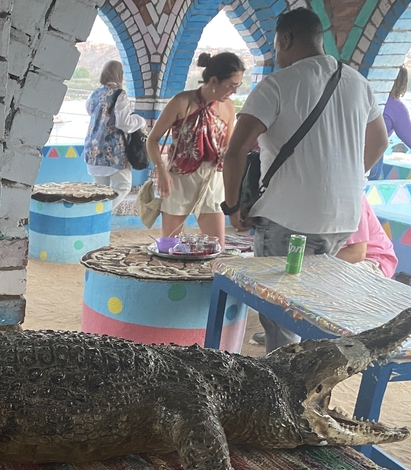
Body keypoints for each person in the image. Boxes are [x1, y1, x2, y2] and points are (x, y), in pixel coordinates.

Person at [221, 8, 388, 353]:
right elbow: (379, 143)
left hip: (288, 219)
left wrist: (233, 205)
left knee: (279, 314)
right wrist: (346, 180)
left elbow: (235, 151)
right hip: (342, 219)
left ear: (285, 39)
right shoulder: (358, 82)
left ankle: (283, 380)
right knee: (314, 303)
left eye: (276, 46)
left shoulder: (277, 84)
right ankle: (312, 373)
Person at [145, 52, 243, 244]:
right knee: (170, 244)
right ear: (213, 81)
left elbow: (227, 147)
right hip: (179, 178)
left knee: (216, 247)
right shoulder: (181, 102)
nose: (234, 91)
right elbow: (152, 140)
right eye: (231, 85)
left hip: (212, 179)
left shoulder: (229, 107)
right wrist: (161, 171)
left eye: (237, 86)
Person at [84, 60, 146, 212]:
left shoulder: (94, 94)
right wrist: (140, 120)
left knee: (100, 192)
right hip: (112, 151)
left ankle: (98, 217)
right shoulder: (119, 94)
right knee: (123, 186)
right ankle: (102, 214)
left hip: (93, 149)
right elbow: (124, 123)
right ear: (119, 75)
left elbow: (92, 113)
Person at [335, 196, 398, 277]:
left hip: (373, 259)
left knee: (332, 277)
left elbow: (356, 254)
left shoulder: (353, 199)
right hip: (341, 255)